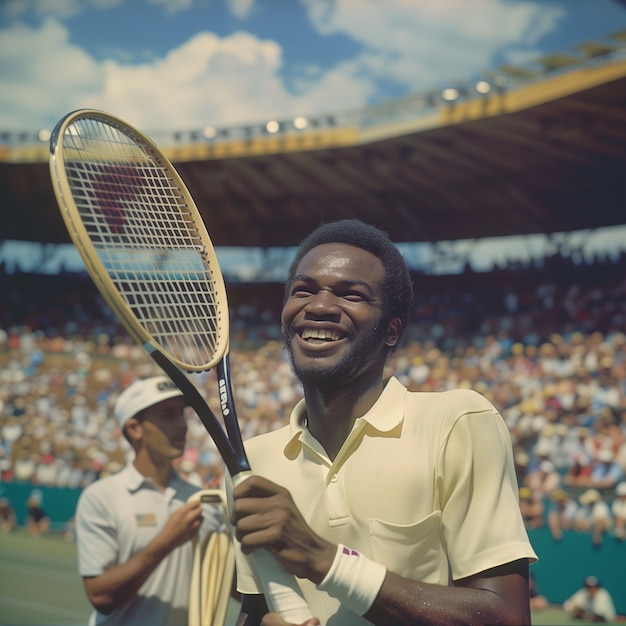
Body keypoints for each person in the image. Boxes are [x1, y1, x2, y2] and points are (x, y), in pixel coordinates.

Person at [227, 220, 538, 626]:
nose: (319, 306)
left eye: (350, 294)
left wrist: (324, 560)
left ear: (391, 331)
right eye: (303, 290)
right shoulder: (256, 459)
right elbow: (256, 610)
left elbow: (506, 618)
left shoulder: (456, 421)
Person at [75, 376, 227, 626]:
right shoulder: (101, 497)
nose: (182, 424)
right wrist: (166, 541)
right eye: (168, 415)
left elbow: (233, 589)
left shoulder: (203, 499)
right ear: (134, 428)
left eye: (182, 414)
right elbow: (101, 596)